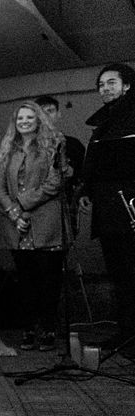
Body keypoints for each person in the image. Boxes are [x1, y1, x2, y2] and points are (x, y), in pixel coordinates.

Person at [0, 101, 67, 351]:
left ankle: (47, 329)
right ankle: (29, 328)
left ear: (38, 120)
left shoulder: (52, 146)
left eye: (29, 117)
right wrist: (15, 213)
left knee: (48, 282)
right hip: (18, 227)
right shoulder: (8, 150)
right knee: (26, 282)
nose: (24, 122)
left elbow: (54, 183)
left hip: (46, 224)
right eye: (19, 118)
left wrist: (22, 204)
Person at [80, 62, 135, 348]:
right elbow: (95, 162)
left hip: (129, 206)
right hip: (108, 209)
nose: (105, 88)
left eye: (111, 82)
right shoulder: (103, 122)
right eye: (101, 85)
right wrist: (86, 189)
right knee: (119, 273)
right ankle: (126, 330)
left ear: (127, 85)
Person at [34, 95, 86, 236]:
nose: (45, 116)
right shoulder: (27, 149)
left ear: (59, 114)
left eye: (50, 111)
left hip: (67, 206)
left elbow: (85, 174)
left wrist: (73, 173)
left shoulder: (74, 145)